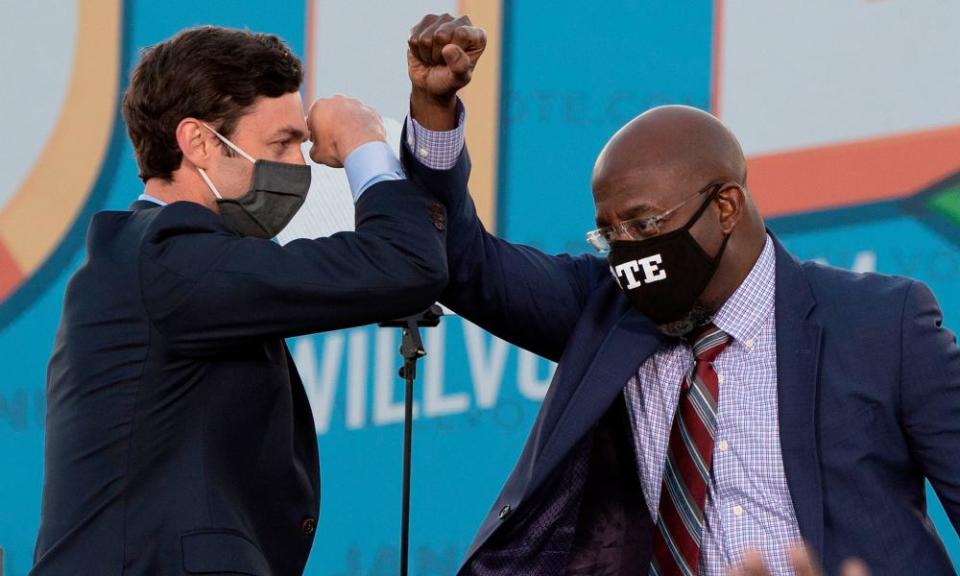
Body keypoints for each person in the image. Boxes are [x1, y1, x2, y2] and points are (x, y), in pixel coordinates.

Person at [402, 14, 960, 576]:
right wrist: (434, 115)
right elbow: (462, 262)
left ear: (725, 208)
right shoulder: (607, 310)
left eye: (645, 226)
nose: (628, 250)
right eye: (610, 232)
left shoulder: (882, 324)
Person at [33, 26, 450, 575]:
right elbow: (407, 264)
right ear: (200, 142)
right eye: (280, 144)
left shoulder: (169, 260)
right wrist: (362, 143)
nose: (299, 166)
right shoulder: (167, 256)